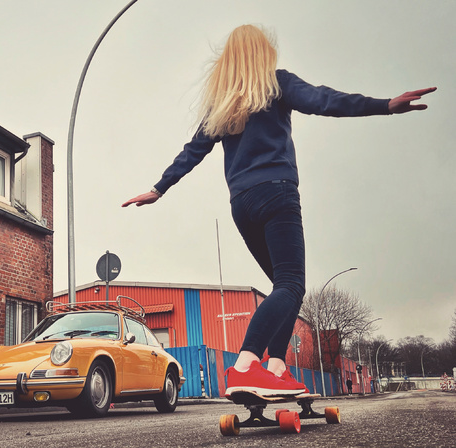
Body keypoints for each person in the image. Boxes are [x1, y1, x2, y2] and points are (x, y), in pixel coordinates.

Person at [122, 24, 435, 396]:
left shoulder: (223, 103)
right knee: (290, 283)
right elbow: (324, 100)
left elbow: (193, 150)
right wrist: (383, 106)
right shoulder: (277, 83)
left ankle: (275, 368)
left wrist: (160, 187)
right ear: (262, 53)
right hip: (277, 194)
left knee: (286, 288)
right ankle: (244, 365)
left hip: (242, 204)